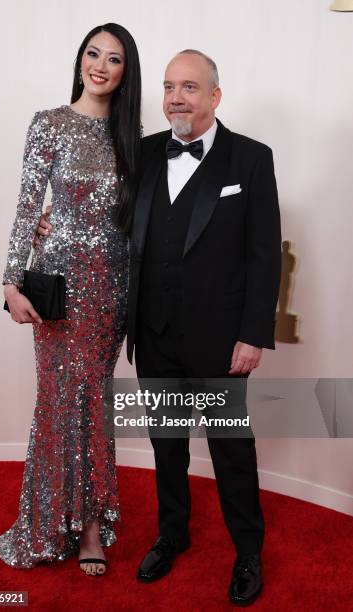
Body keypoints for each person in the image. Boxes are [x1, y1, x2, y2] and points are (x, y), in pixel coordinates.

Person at [36, 49, 281, 605]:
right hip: (154, 332)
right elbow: (104, 217)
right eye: (170, 86)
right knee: (167, 445)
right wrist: (55, 225)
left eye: (190, 87)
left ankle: (248, 551)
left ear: (215, 96)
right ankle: (172, 535)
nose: (176, 97)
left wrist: (252, 334)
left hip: (221, 339)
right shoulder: (143, 153)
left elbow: (265, 257)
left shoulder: (250, 160)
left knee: (229, 449)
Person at [0, 23, 141, 576]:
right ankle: (52, 522)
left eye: (115, 59)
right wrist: (12, 280)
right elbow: (28, 206)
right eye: (93, 53)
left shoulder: (135, 137)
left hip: (110, 291)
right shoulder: (49, 124)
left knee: (94, 402)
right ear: (80, 59)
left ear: (128, 72)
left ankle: (92, 527)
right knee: (58, 403)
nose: (101, 65)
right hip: (58, 287)